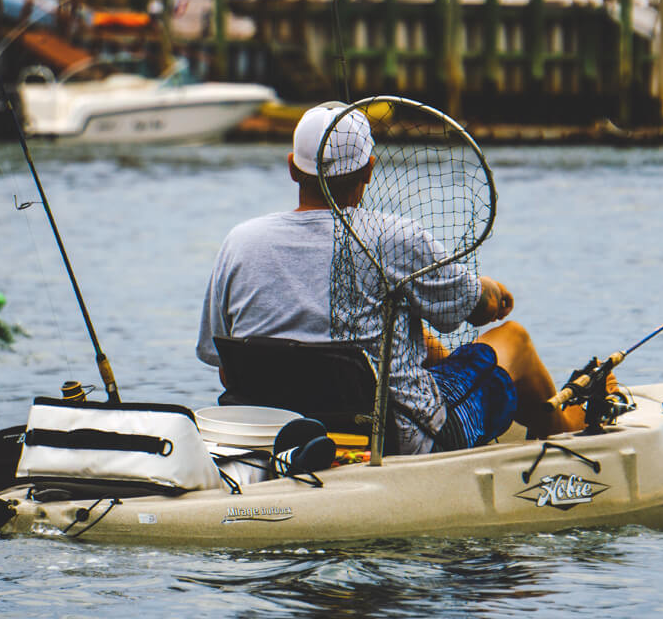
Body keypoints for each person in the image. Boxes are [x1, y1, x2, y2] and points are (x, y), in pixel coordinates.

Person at [196, 102, 605, 455]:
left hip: (273, 435)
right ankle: (572, 442)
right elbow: (479, 312)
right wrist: (496, 294)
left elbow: (226, 369)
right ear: (370, 170)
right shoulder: (394, 237)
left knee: (423, 345)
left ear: (292, 168)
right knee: (513, 339)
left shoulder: (240, 242)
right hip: (396, 437)